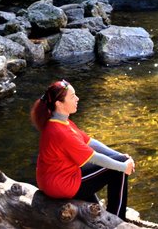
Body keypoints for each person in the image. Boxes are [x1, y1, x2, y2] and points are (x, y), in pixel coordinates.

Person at [30, 79, 135, 221]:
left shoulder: (62, 122)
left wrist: (118, 155)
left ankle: (100, 213)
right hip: (61, 185)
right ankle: (117, 219)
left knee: (116, 162)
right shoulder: (60, 131)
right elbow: (94, 157)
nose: (77, 99)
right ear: (59, 104)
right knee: (117, 169)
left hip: (57, 179)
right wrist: (123, 166)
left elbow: (90, 142)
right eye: (72, 96)